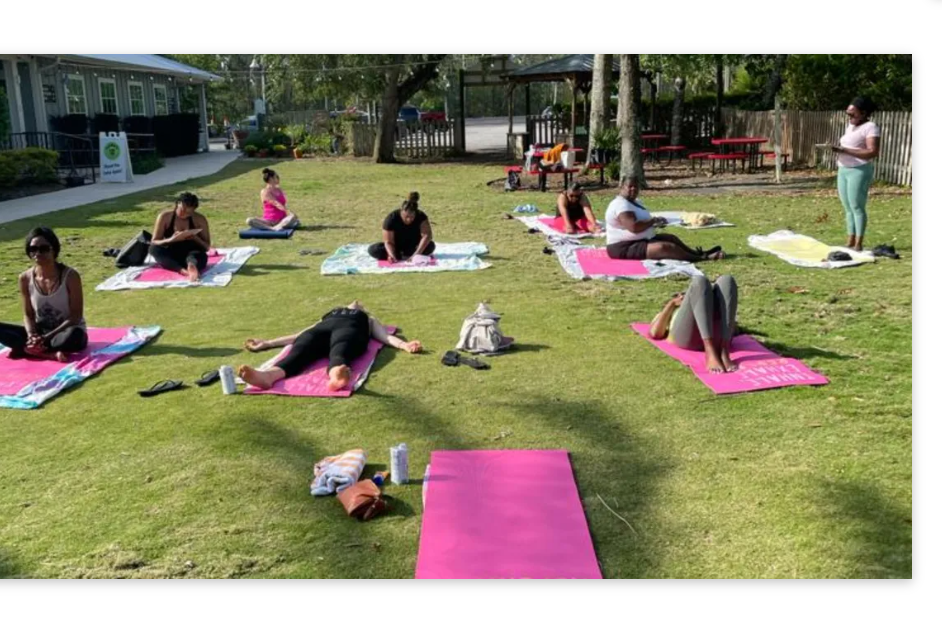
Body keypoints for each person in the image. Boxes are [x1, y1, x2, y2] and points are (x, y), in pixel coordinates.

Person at [238, 301, 422, 392]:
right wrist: (268, 343)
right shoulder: (329, 314)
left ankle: (337, 377)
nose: (355, 302)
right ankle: (267, 376)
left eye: (360, 305)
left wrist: (404, 345)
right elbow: (303, 332)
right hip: (321, 331)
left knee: (340, 351)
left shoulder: (367, 318)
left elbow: (384, 336)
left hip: (349, 331)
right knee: (300, 349)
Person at [0, 227, 87, 362]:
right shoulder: (25, 278)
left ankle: (27, 350)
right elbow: (28, 314)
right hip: (40, 332)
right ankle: (47, 354)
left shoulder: (71, 276)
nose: (38, 253)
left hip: (64, 332)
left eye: (44, 249)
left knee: (73, 337)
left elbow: (75, 316)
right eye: (33, 249)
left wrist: (46, 338)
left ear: (54, 250)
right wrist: (31, 335)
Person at [605, 177, 725, 262]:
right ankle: (701, 258)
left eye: (636, 187)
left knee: (671, 238)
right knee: (665, 247)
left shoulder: (635, 202)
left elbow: (643, 222)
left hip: (641, 240)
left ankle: (697, 253)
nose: (633, 189)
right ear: (621, 187)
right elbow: (634, 227)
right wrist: (652, 221)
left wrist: (657, 221)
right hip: (623, 247)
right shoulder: (621, 205)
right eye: (629, 186)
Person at [649, 275, 739, 374]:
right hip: (688, 339)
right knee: (699, 281)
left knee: (727, 279)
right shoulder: (674, 311)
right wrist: (671, 304)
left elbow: (734, 328)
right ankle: (710, 351)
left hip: (718, 339)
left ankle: (724, 350)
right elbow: (655, 333)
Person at [831, 96, 881, 251]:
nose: (849, 117)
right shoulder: (850, 126)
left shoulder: (871, 127)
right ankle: (850, 240)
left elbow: (872, 152)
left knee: (856, 206)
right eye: (848, 114)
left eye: (853, 114)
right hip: (843, 169)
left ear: (864, 113)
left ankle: (859, 243)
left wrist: (844, 150)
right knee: (847, 207)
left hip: (858, 170)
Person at [149, 192, 211, 282]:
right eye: (182, 210)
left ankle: (191, 266)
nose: (184, 214)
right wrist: (171, 239)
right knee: (153, 249)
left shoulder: (199, 219)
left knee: (197, 256)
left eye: (188, 213)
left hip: (192, 252)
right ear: (177, 203)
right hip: (172, 252)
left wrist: (195, 238)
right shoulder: (165, 217)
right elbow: (154, 241)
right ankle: (183, 271)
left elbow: (207, 247)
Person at [367, 192, 435, 262]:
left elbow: (427, 236)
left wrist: (416, 255)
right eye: (406, 217)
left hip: (413, 246)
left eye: (412, 217)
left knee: (430, 246)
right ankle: (397, 255)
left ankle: (408, 254)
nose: (409, 219)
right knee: (374, 250)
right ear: (401, 212)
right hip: (395, 246)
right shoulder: (391, 218)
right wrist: (391, 255)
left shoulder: (421, 216)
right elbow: (388, 241)